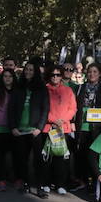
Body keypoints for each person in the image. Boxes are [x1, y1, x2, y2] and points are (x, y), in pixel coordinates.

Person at [9, 62, 47, 196]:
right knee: (22, 159)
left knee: (38, 160)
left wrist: (40, 128)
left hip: (34, 130)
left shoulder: (41, 88)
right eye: (26, 69)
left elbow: (45, 109)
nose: (28, 72)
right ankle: (24, 184)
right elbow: (11, 108)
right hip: (20, 130)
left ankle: (39, 186)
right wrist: (13, 127)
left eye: (31, 70)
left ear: (35, 72)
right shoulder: (18, 87)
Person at [72, 64, 101, 187]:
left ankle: (94, 181)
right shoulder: (79, 88)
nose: (92, 74)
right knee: (81, 153)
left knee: (94, 155)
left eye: (95, 71)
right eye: (89, 71)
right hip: (81, 126)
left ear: (100, 73)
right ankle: (81, 180)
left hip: (97, 128)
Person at [41, 66, 78, 195]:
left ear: (61, 76)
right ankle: (45, 183)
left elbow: (73, 109)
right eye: (53, 74)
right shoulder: (44, 90)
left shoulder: (68, 90)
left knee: (62, 158)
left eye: (58, 75)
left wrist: (62, 120)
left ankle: (60, 184)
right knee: (47, 157)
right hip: (48, 128)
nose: (55, 77)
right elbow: (42, 108)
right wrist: (53, 120)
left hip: (63, 128)